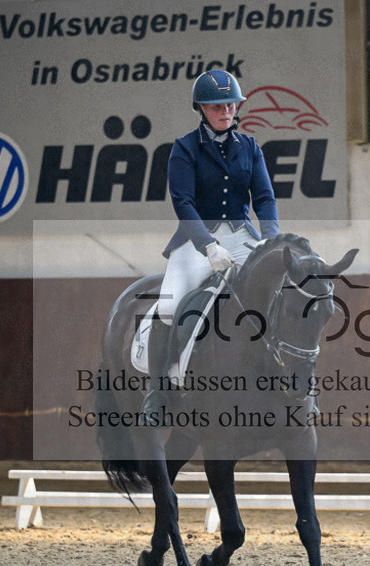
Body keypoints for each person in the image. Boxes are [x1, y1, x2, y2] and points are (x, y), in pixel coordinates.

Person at [143, 70, 280, 418]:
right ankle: (158, 391)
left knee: (277, 293)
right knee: (168, 307)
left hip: (242, 237)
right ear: (202, 108)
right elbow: (183, 204)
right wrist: (208, 246)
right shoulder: (184, 148)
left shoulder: (250, 147)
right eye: (218, 106)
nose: (227, 111)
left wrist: (272, 241)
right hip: (196, 238)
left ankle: (285, 380)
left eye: (232, 105)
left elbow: (264, 199)